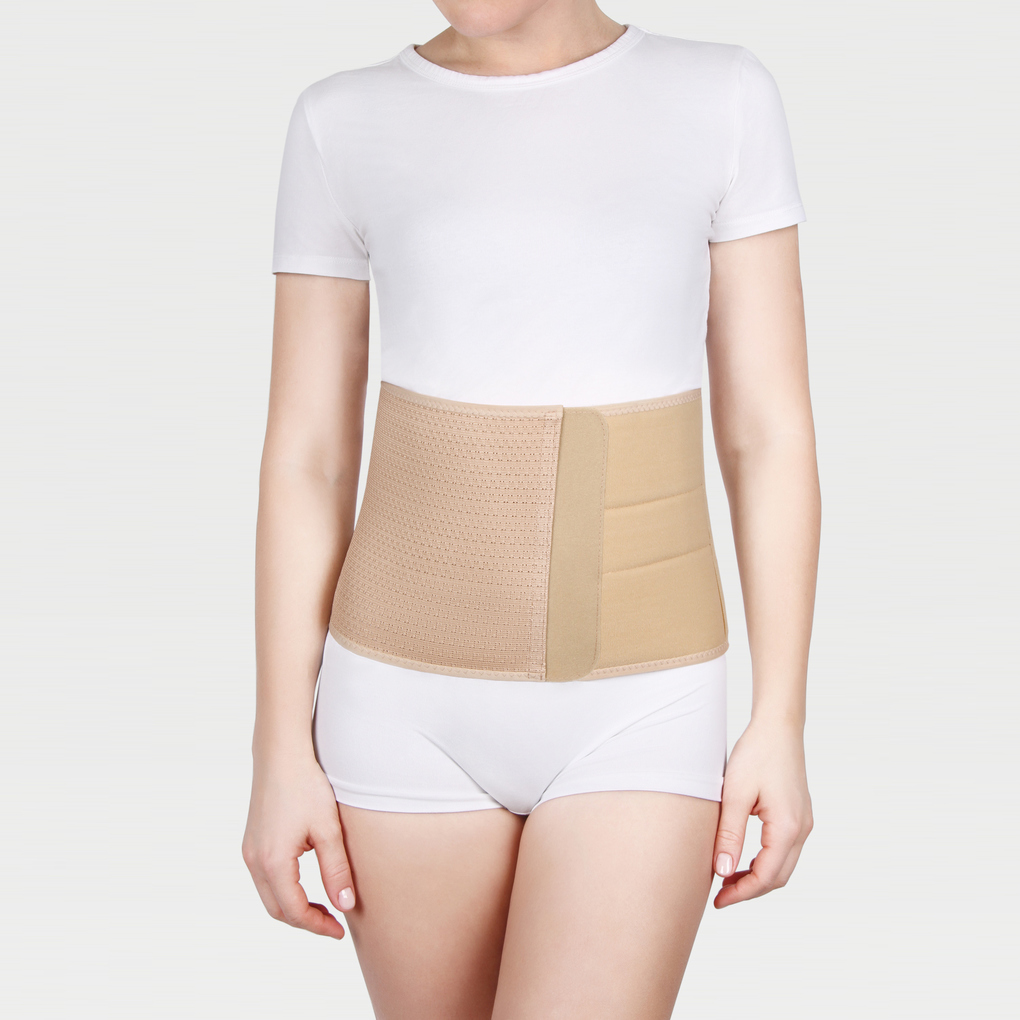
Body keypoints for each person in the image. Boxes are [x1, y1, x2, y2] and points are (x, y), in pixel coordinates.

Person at [242, 2, 819, 1017]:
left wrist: (782, 717)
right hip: (402, 712)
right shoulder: (343, 120)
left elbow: (766, 434)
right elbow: (309, 458)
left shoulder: (720, 97)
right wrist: (279, 747)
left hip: (641, 705)